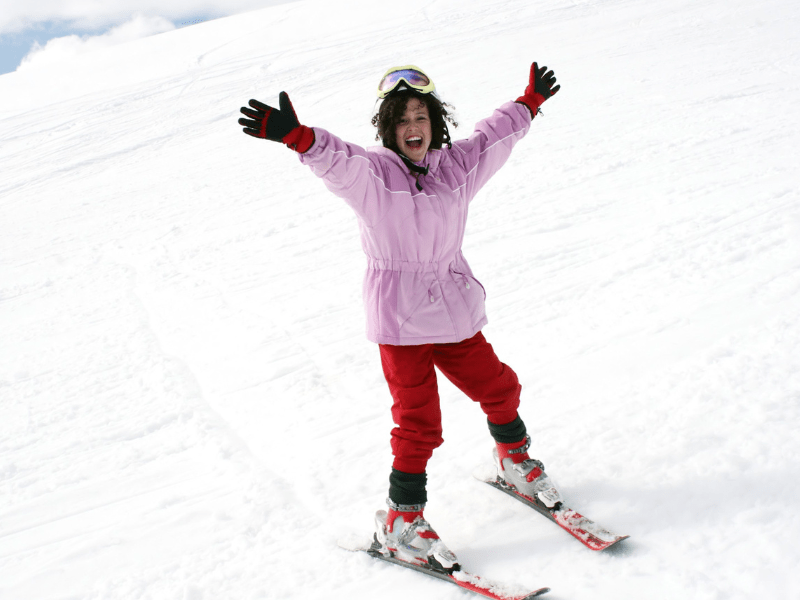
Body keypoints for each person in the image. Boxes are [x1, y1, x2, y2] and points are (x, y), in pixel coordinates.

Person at [238, 62, 561, 573]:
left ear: (434, 123)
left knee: (500, 386)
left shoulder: (454, 168)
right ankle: (402, 523)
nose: (414, 127)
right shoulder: (374, 175)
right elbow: (339, 162)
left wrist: (528, 104)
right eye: (403, 119)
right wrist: (300, 139)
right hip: (403, 322)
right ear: (389, 129)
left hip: (454, 311)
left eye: (422, 116)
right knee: (419, 424)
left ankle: (516, 463)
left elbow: (491, 140)